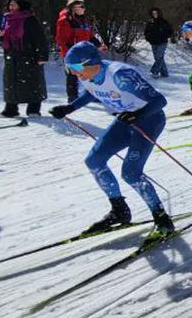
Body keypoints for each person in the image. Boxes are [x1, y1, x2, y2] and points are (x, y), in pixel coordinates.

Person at [48, 42, 174, 240]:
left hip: (149, 120)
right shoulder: (86, 76)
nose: (74, 73)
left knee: (131, 173)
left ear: (90, 63)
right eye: (69, 69)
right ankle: (119, 210)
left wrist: (138, 114)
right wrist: (69, 108)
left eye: (76, 68)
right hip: (125, 120)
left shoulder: (121, 75)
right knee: (94, 160)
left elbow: (160, 101)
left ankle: (162, 218)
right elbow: (91, 92)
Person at [0, 0, 47, 117]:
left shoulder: (30, 20)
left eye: (14, 5)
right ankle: (11, 109)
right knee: (10, 83)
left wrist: (42, 56)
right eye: (10, 5)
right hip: (11, 56)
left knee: (32, 82)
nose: (11, 7)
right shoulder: (7, 19)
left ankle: (33, 109)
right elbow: (5, 37)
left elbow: (40, 39)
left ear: (21, 6)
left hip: (29, 56)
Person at [55, 0, 106, 103]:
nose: (84, 9)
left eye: (84, 6)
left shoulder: (84, 20)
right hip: (72, 53)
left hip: (85, 53)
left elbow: (90, 36)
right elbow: (61, 40)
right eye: (81, 6)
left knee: (91, 73)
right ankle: (72, 97)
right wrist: (69, 53)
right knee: (73, 75)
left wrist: (99, 45)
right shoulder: (65, 20)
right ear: (73, 8)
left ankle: (92, 95)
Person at [144, 7, 172, 78]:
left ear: (159, 13)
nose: (154, 14)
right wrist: (148, 38)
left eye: (156, 13)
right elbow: (146, 32)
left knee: (159, 57)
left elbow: (170, 32)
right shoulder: (150, 23)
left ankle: (155, 72)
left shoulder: (164, 22)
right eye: (153, 13)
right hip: (153, 43)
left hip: (162, 43)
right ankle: (165, 73)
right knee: (158, 58)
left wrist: (164, 35)